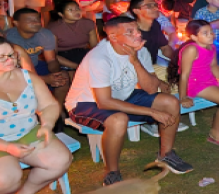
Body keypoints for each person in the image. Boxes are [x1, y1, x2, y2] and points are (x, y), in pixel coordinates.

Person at [66, 17, 193, 183]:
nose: (137, 34)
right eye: (130, 32)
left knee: (170, 102)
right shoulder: (99, 58)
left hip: (122, 95)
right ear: (113, 37)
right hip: (86, 102)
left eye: (137, 30)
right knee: (119, 119)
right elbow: (104, 102)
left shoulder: (140, 50)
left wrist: (136, 62)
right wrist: (152, 112)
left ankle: (165, 155)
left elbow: (150, 89)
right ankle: (111, 173)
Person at [0, 35, 72, 194]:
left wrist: (47, 125)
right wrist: (7, 147)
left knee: (60, 161)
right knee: (3, 180)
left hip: (25, 131)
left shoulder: (28, 77)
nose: (9, 59)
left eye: (12, 54)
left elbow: (49, 105)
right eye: (1, 57)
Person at [5, 9, 71, 118]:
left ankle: (56, 111)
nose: (36, 22)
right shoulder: (8, 38)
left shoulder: (45, 34)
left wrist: (56, 75)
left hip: (36, 66)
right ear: (16, 23)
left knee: (63, 77)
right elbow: (12, 70)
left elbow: (51, 60)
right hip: (16, 71)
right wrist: (44, 79)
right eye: (30, 20)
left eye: (37, 19)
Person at [129, 0, 175, 65]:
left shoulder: (155, 25)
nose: (156, 8)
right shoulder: (131, 32)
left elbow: (165, 48)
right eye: (149, 6)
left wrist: (178, 60)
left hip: (153, 65)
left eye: (155, 5)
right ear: (136, 11)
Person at [47, 1, 98, 66]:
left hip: (83, 53)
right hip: (64, 57)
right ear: (61, 14)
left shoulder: (88, 24)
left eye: (77, 9)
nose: (76, 12)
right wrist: (77, 67)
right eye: (70, 10)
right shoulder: (53, 29)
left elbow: (95, 47)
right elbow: (53, 56)